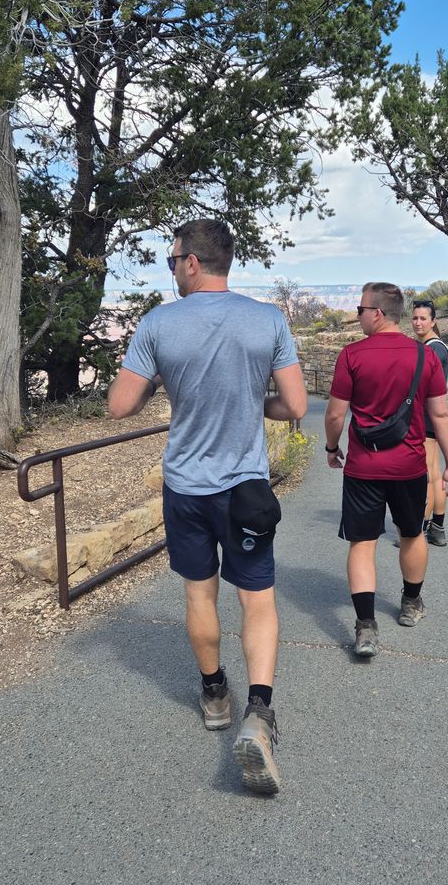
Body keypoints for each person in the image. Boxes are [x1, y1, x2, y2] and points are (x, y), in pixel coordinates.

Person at [108, 219, 307, 794]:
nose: (171, 270)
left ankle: (216, 694)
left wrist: (155, 381)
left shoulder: (157, 324)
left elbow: (120, 406)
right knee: (258, 600)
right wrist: (251, 401)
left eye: (173, 260)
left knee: (200, 592)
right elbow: (293, 403)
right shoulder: (267, 319)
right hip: (245, 486)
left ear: (192, 262)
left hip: (187, 487)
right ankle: (261, 713)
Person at [324, 282, 448, 658]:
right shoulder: (423, 357)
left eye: (360, 309)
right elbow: (440, 413)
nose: (357, 315)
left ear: (378, 313)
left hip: (363, 468)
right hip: (410, 467)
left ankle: (366, 626)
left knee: (362, 543)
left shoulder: (351, 355)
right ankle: (411, 603)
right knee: (412, 533)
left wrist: (333, 448)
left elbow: (336, 413)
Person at [411, 298, 448, 546]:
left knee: (425, 475)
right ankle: (437, 528)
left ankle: (420, 530)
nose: (418, 322)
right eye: (415, 318)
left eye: (423, 318)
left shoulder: (431, 349)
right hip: (432, 419)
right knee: (434, 473)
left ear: (433, 321)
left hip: (426, 419)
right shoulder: (439, 347)